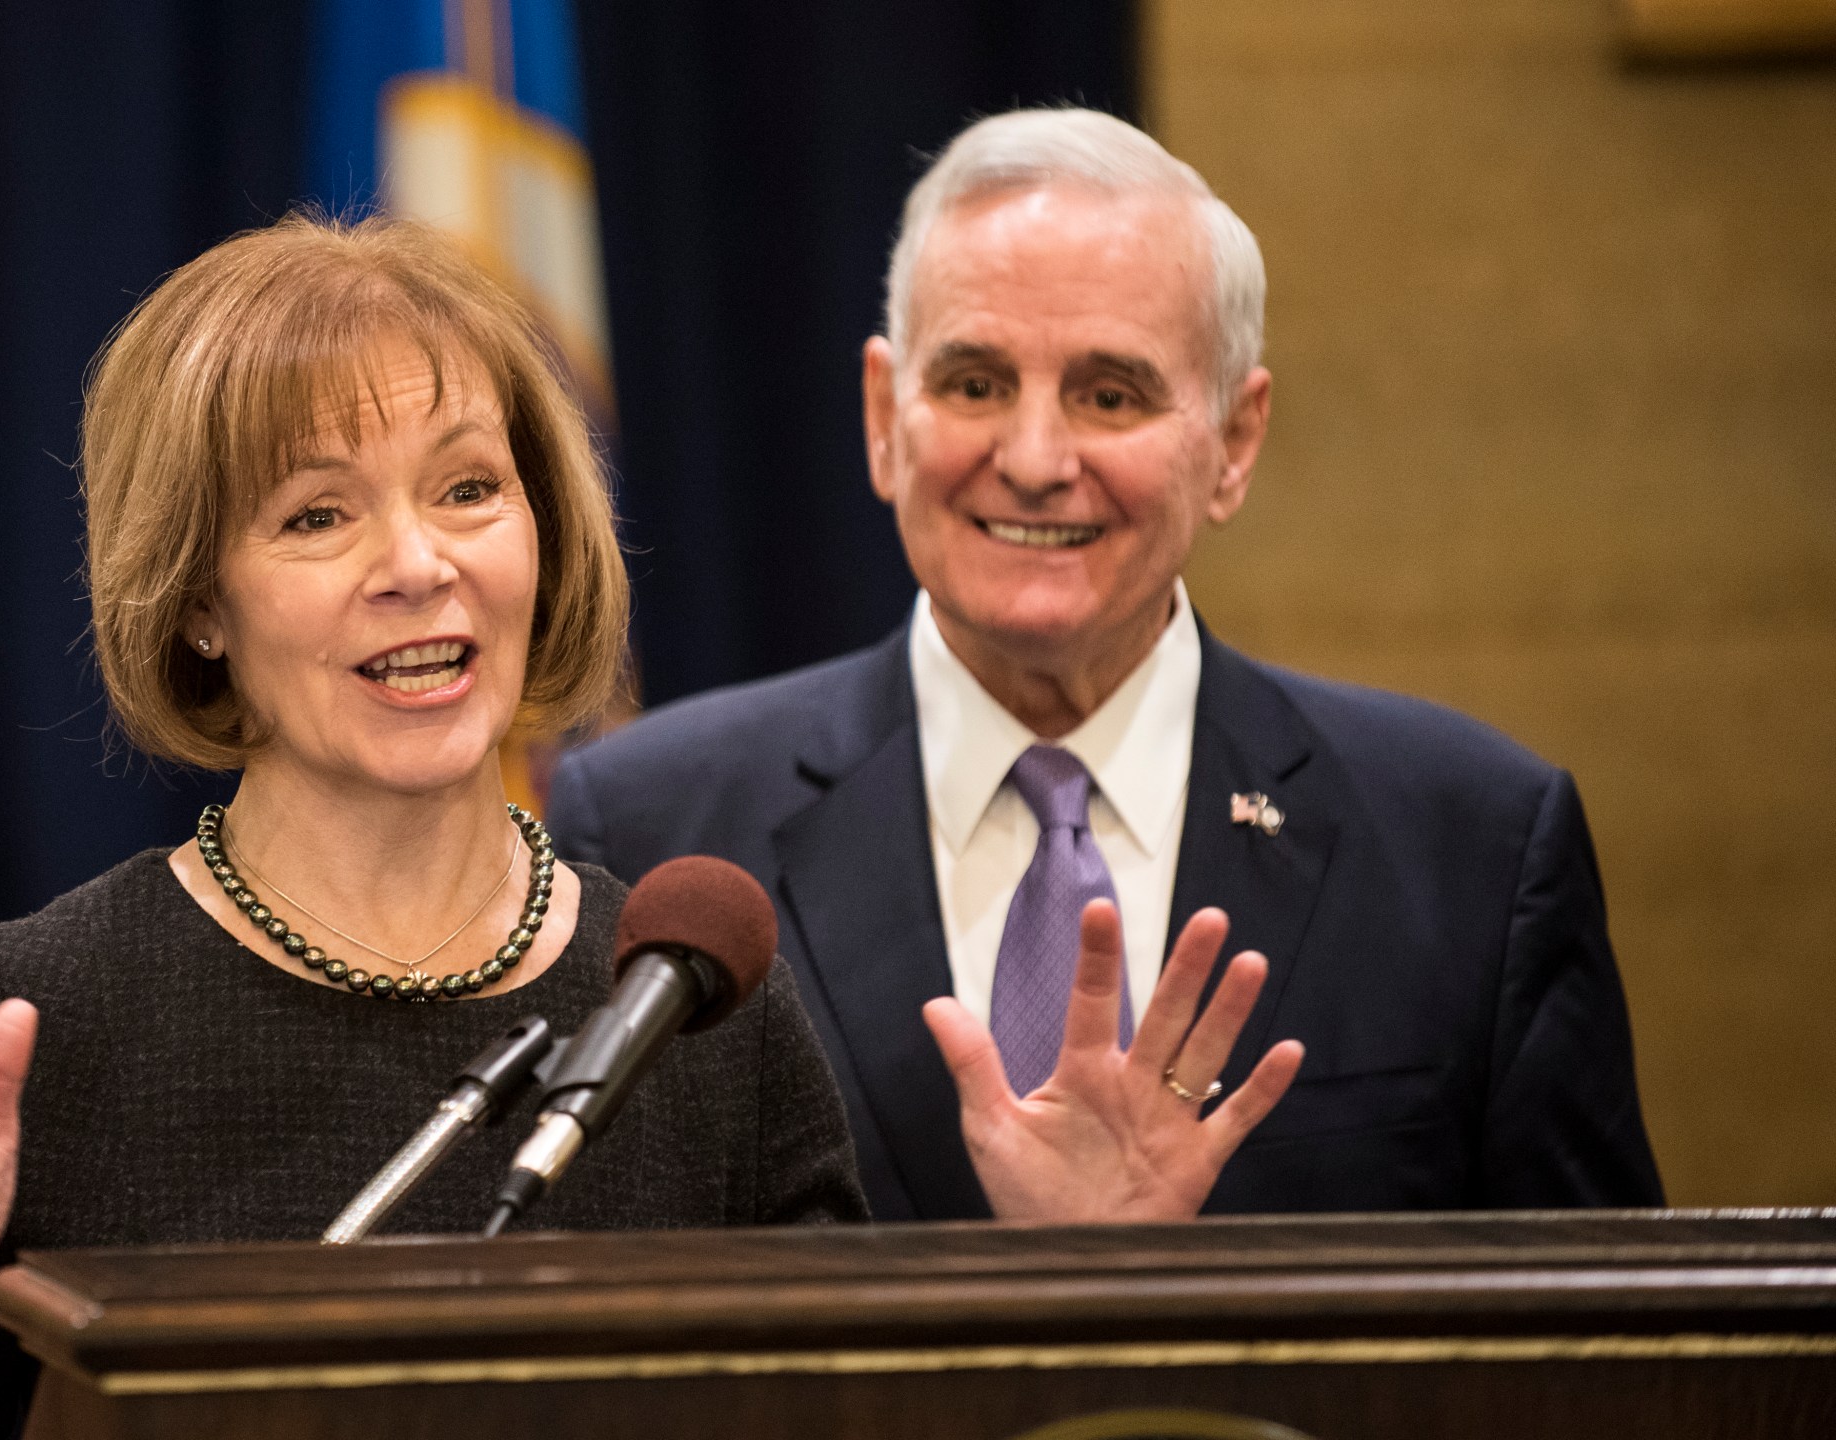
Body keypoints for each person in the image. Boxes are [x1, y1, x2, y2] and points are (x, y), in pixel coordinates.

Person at [0, 215, 1299, 1438]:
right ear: (200, 604)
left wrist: (1075, 1289)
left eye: (469, 489)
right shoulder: (42, 1024)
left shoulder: (699, 1011)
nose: (417, 564)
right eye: (316, 514)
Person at [546, 108, 1665, 1223]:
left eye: (1109, 395)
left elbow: (1609, 1358)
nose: (1033, 461)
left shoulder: (1472, 846)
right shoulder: (652, 832)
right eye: (975, 384)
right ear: (885, 417)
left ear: (1233, 441)